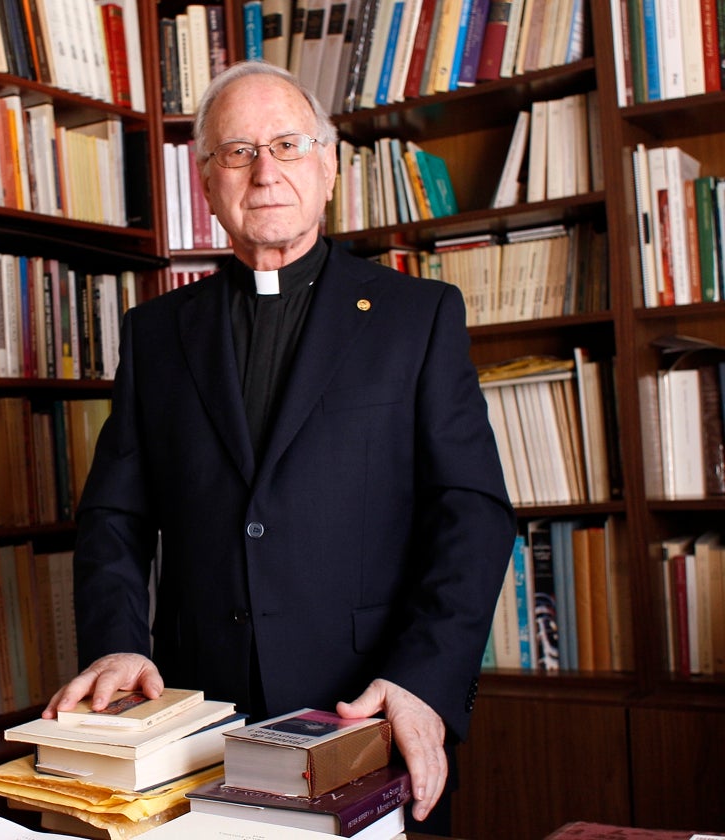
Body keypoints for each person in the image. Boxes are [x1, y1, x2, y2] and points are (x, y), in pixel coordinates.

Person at [42, 60, 516, 833]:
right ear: (207, 183)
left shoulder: (416, 316)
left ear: (328, 166)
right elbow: (114, 517)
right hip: (194, 722)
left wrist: (422, 681)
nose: (265, 172)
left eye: (289, 145)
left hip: (366, 709)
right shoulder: (157, 334)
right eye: (237, 152)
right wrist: (116, 644)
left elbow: (474, 513)